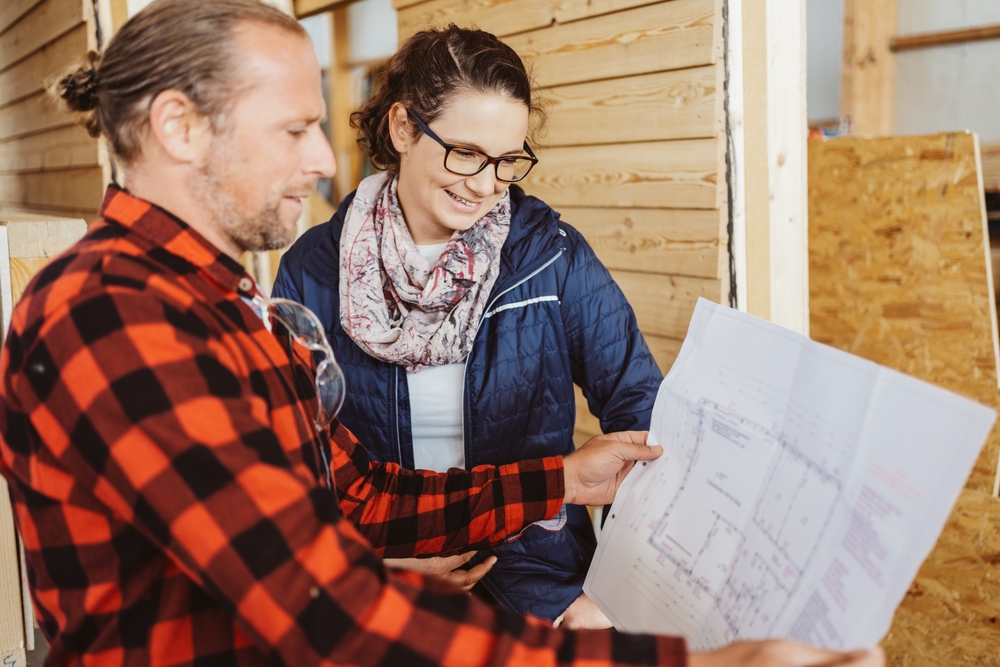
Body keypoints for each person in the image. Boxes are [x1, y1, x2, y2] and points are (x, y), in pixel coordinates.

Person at [0, 1, 884, 665]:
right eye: (297, 129)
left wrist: (561, 479)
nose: (320, 161)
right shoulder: (119, 319)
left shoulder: (221, 305)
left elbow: (356, 496)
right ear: (177, 126)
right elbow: (329, 607)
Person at [272, 25, 662, 629]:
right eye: (467, 153)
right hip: (385, 573)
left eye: (508, 161)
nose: (484, 185)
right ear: (403, 128)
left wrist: (616, 582)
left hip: (536, 574)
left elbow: (640, 406)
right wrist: (374, 561)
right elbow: (302, 460)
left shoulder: (550, 256)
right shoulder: (312, 271)